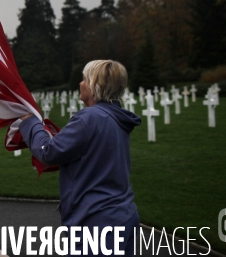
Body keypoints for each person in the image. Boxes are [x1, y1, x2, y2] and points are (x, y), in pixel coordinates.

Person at [18, 60, 141, 255]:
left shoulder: (88, 118)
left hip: (97, 223)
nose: (80, 83)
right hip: (123, 215)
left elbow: (48, 151)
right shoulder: (117, 118)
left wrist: (30, 122)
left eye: (84, 79)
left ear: (94, 85)